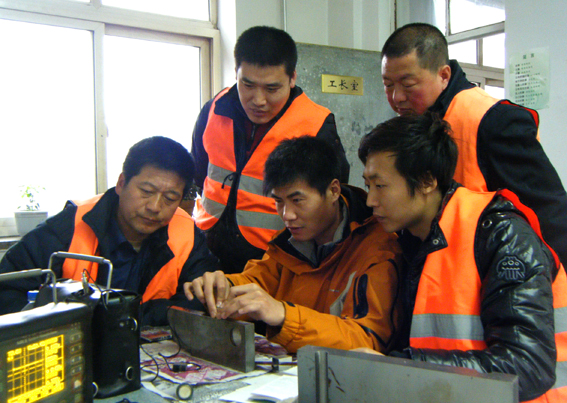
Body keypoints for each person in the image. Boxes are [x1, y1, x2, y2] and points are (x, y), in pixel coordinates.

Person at [357, 113, 567, 402]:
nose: (370, 201)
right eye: (368, 186)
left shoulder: (500, 233)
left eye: (380, 186)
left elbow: (527, 366)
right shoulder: (408, 240)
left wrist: (403, 367)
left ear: (427, 181)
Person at [184, 136, 401, 354]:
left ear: (333, 191)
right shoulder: (289, 241)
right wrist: (221, 288)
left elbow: (368, 340)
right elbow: (257, 280)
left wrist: (283, 315)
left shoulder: (377, 249)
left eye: (297, 200)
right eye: (279, 201)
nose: (287, 215)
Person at [380, 22, 567, 267]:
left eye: (407, 85)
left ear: (444, 75)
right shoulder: (412, 124)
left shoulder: (493, 120)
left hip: (491, 279)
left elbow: (548, 213)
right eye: (388, 84)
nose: (397, 98)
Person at [0, 136, 218, 326]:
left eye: (170, 198)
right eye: (146, 191)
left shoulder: (186, 234)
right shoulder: (69, 227)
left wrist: (131, 317)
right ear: (122, 183)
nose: (155, 206)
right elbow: (7, 291)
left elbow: (202, 299)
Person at [192, 25, 350, 274]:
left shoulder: (316, 125)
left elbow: (331, 203)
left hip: (274, 262)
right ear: (236, 73)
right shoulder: (214, 108)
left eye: (272, 88)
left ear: (292, 78)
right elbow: (199, 172)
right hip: (205, 249)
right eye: (248, 85)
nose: (258, 100)